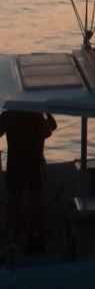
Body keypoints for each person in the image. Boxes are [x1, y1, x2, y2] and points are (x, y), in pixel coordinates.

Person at [2, 108, 57, 252]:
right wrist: (46, 110)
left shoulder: (9, 114)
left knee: (15, 201)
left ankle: (11, 240)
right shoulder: (35, 113)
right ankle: (36, 236)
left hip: (16, 163)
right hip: (32, 163)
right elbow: (51, 128)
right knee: (34, 202)